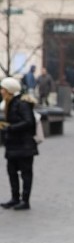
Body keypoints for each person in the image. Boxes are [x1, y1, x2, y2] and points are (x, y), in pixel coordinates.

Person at [1, 77, 38, 210]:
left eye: (3, 89)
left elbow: (29, 122)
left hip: (24, 145)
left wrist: (10, 128)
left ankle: (25, 200)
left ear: (9, 90)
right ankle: (15, 198)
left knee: (25, 173)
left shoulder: (22, 103)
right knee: (11, 172)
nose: (1, 91)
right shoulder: (10, 103)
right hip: (13, 144)